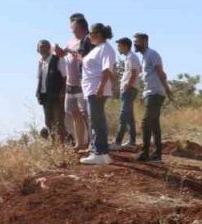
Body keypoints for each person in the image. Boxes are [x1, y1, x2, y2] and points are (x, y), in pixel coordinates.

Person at [80, 23, 119, 165]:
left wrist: (100, 88)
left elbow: (107, 70)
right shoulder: (97, 48)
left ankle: (99, 152)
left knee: (97, 121)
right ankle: (102, 153)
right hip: (92, 89)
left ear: (98, 33)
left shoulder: (106, 48)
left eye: (90, 33)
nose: (89, 36)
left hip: (96, 89)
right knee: (97, 120)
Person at [134, 33, 171, 162]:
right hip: (150, 93)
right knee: (154, 124)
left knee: (146, 123)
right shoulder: (145, 56)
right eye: (134, 42)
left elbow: (161, 73)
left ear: (145, 41)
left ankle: (145, 153)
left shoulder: (152, 54)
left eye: (137, 41)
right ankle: (156, 155)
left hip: (155, 93)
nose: (135, 44)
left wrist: (167, 89)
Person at [113, 37, 142, 149]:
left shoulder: (131, 57)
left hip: (129, 90)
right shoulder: (129, 57)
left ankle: (117, 142)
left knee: (123, 116)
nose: (118, 48)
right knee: (129, 117)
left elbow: (134, 73)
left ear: (125, 46)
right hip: (129, 89)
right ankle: (132, 142)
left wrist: (128, 85)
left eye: (119, 46)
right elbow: (139, 70)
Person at [57, 45, 88, 151]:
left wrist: (70, 51)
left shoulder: (85, 43)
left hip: (81, 84)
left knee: (85, 113)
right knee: (73, 113)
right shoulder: (64, 57)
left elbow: (84, 61)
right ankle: (80, 143)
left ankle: (91, 143)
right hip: (70, 86)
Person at [35, 40, 66, 141]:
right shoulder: (40, 62)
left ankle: (61, 144)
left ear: (49, 48)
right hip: (45, 96)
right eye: (41, 47)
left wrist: (63, 92)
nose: (43, 48)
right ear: (37, 50)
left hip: (57, 95)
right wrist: (38, 93)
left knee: (59, 120)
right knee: (48, 121)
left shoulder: (57, 59)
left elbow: (65, 77)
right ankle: (54, 143)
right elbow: (40, 79)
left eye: (45, 46)